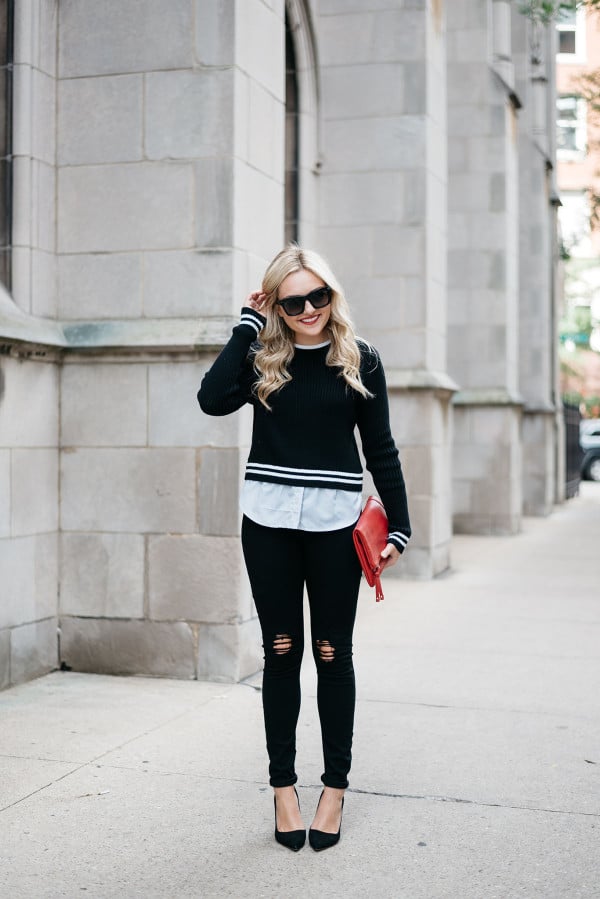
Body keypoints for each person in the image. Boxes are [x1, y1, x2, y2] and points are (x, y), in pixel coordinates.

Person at [198, 245, 411, 852]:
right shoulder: (264, 358)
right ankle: (283, 788)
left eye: (319, 295)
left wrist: (399, 525)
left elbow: (382, 448)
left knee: (330, 650)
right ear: (276, 305)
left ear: (332, 295)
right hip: (267, 521)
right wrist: (246, 325)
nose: (310, 308)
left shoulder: (359, 360)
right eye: (294, 301)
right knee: (281, 649)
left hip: (335, 523)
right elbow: (212, 399)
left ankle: (335, 788)